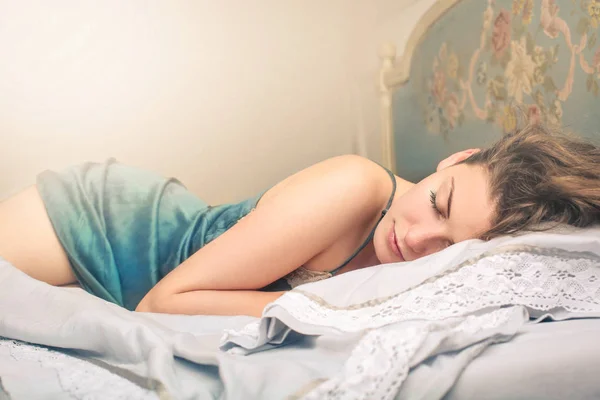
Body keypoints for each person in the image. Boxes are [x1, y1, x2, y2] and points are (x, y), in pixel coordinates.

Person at [2, 121, 599, 317]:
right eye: (439, 202)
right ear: (456, 159)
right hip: (112, 225)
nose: (415, 238)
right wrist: (368, 313)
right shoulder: (354, 187)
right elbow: (165, 303)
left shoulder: (456, 281)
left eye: (447, 247)